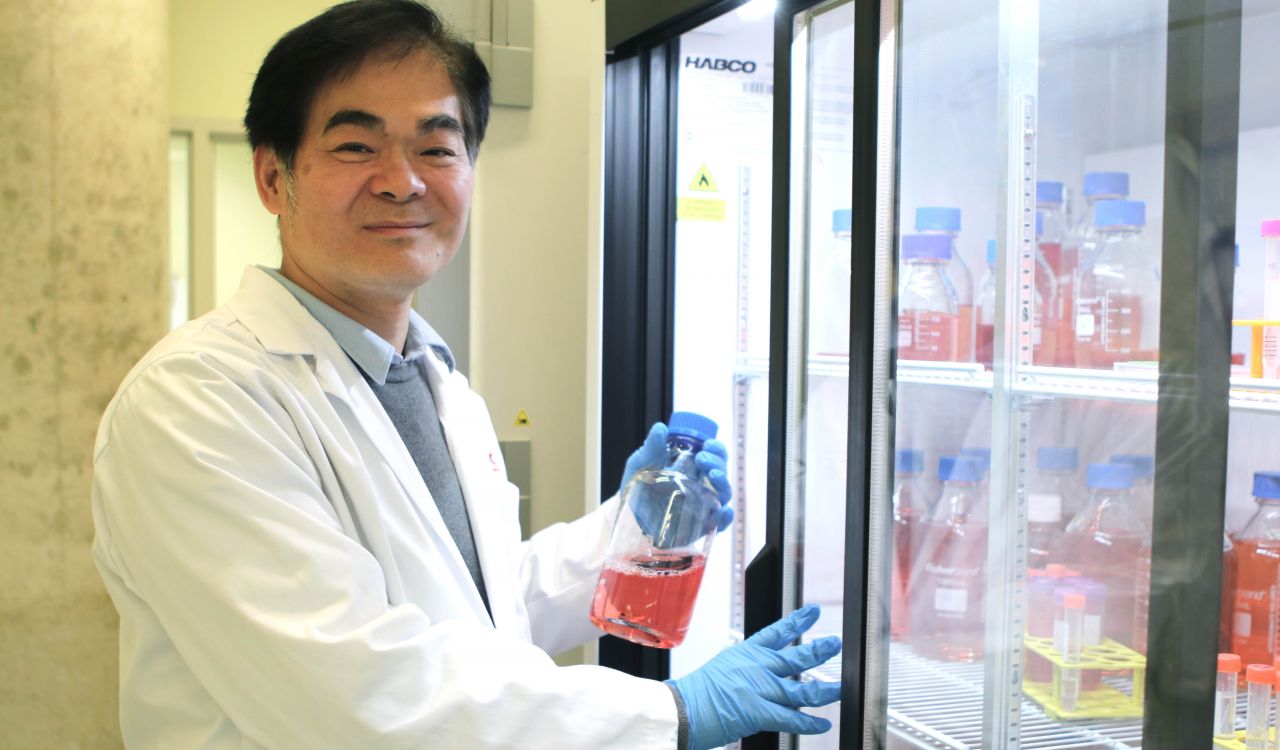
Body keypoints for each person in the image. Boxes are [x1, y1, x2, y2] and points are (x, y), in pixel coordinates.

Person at [89, 1, 842, 748]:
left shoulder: (434, 378)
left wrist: (623, 534)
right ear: (272, 177)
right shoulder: (197, 401)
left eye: (438, 148)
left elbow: (483, 608)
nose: (401, 181)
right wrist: (671, 714)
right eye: (356, 147)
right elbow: (357, 696)